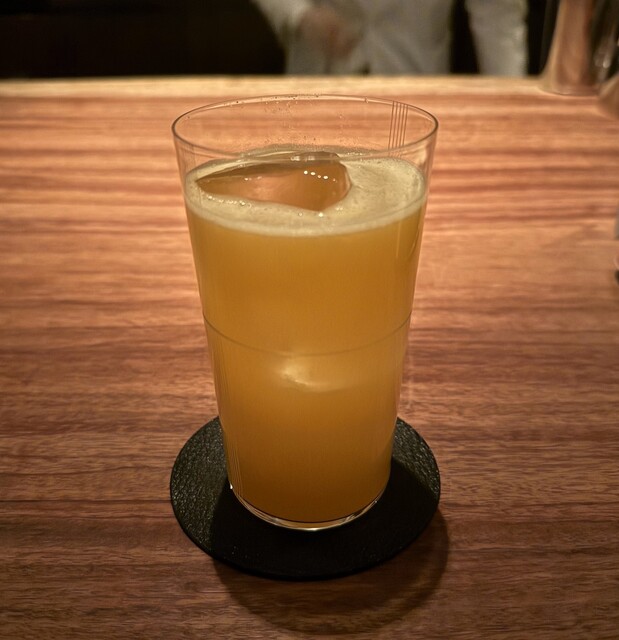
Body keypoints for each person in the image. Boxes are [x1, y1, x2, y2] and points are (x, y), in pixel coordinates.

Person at [251, 0, 528, 75]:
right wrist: (298, 14)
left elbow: (498, 15)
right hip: (323, 71)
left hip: (414, 73)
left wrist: (510, 107)